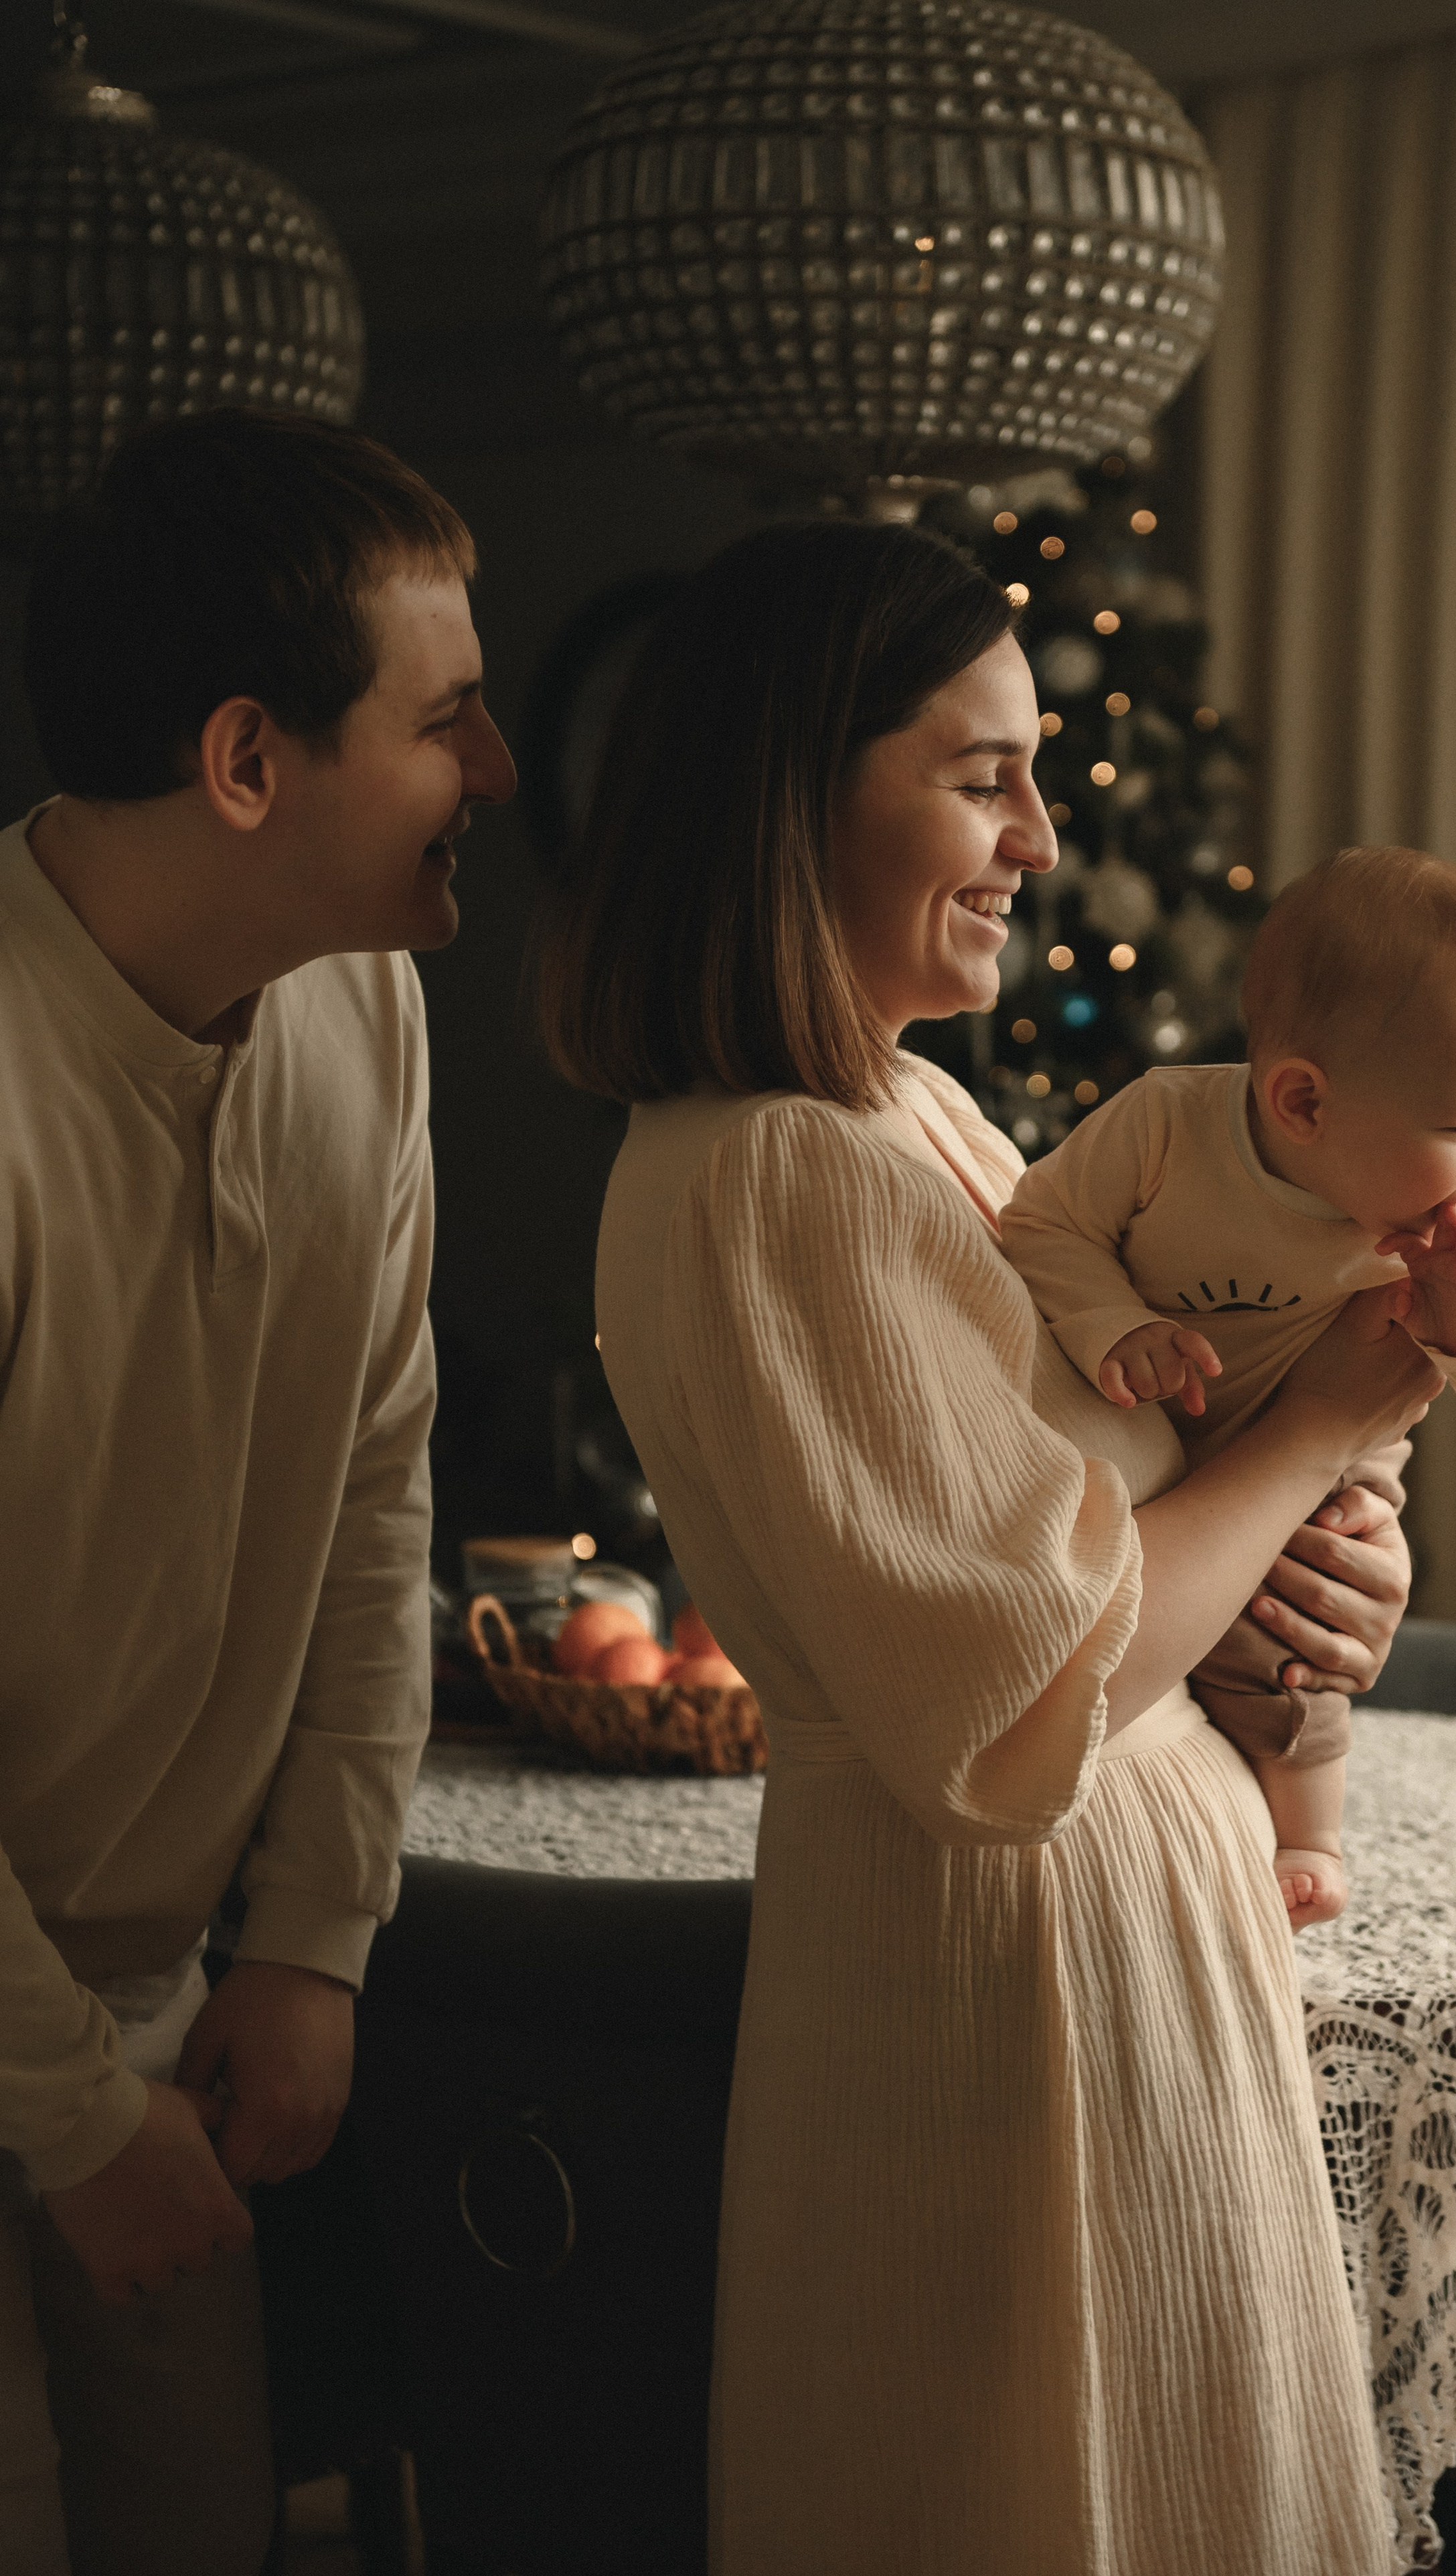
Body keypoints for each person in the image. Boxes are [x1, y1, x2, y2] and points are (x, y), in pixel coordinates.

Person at [542, 517, 1441, 2576]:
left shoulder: (910, 1121)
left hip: (1104, 1970)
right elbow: (1028, 1696)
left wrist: (1317, 1583)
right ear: (788, 797)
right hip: (1013, 2007)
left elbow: (1126, 1529)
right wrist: (1319, 1430)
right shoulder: (777, 1171)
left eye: (1035, 772)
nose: (1042, 834)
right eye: (978, 775)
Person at [0, 408, 514, 2575]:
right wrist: (73, 2115)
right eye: (449, 717)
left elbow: (378, 1479)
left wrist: (315, 1931)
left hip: (161, 2004)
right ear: (245, 759)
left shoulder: (368, 1011)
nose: (493, 771)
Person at [1001, 845, 1456, 1926]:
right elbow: (1042, 1223)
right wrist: (1121, 1324)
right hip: (1156, 1478)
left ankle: (1309, 1832)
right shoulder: (1163, 1130)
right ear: (1303, 1103)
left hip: (1320, 1497)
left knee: (1297, 1642)